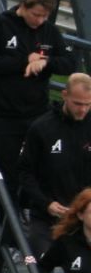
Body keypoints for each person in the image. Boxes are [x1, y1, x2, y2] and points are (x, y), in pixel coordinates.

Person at [0, 0, 75, 205]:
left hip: (38, 114)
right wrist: (23, 62)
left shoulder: (49, 31)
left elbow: (69, 63)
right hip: (2, 116)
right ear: (24, 5)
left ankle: (37, 222)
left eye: (44, 16)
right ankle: (8, 232)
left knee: (43, 170)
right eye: (35, 14)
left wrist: (46, 62)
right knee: (8, 176)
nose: (39, 20)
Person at [17, 73, 91, 251]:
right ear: (64, 95)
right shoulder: (42, 128)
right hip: (48, 216)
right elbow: (24, 172)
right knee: (41, 266)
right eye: (77, 103)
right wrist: (46, 203)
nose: (82, 110)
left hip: (86, 218)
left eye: (88, 104)